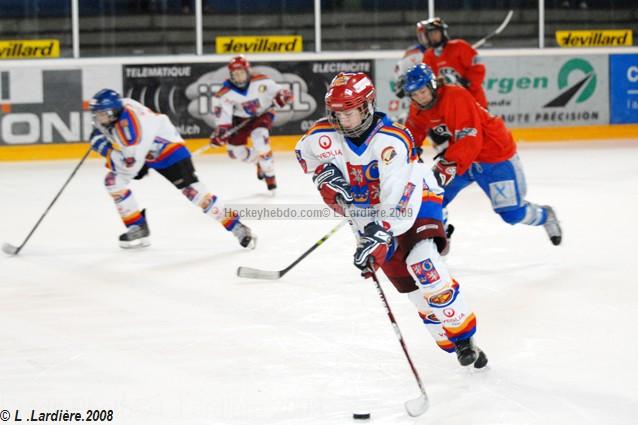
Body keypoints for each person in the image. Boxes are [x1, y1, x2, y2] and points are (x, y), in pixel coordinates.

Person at [295, 72, 488, 368]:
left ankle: (464, 337)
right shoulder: (322, 136)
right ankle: (450, 342)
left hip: (415, 200)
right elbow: (305, 155)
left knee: (424, 266)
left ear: (366, 107)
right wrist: (325, 177)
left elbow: (396, 199)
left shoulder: (392, 141)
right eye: (336, 114)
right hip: (370, 214)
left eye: (348, 113)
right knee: (413, 292)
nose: (342, 121)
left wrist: (379, 237)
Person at [402, 63, 562, 247]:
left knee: (512, 214)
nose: (419, 98)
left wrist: (448, 165)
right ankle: (440, 237)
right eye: (414, 94)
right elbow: (413, 131)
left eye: (422, 91)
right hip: (464, 156)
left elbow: (471, 138)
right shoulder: (418, 107)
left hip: (494, 155)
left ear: (432, 85)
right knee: (432, 194)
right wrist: (408, 154)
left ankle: (545, 216)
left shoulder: (455, 96)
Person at [88, 89, 256, 249]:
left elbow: (130, 168)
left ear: (114, 112)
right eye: (98, 115)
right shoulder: (123, 105)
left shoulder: (132, 134)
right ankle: (137, 226)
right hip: (145, 151)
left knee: (196, 195)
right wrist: (105, 130)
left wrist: (105, 149)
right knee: (113, 182)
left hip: (170, 153)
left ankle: (237, 227)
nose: (99, 118)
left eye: (102, 115)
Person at [211, 55, 293, 194]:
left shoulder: (262, 81)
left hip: (262, 115)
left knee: (260, 142)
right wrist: (221, 134)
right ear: (231, 75)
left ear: (248, 71)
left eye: (241, 73)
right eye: (235, 74)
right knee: (235, 153)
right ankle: (259, 161)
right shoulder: (224, 94)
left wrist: (283, 96)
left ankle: (269, 175)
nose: (239, 77)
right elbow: (223, 119)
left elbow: (282, 93)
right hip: (240, 120)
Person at [418, 17, 488, 109]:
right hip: (452, 106)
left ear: (443, 33)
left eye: (436, 33)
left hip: (475, 102)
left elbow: (478, 67)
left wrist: (469, 82)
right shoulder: (428, 56)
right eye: (430, 34)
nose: (433, 37)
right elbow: (429, 80)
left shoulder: (459, 46)